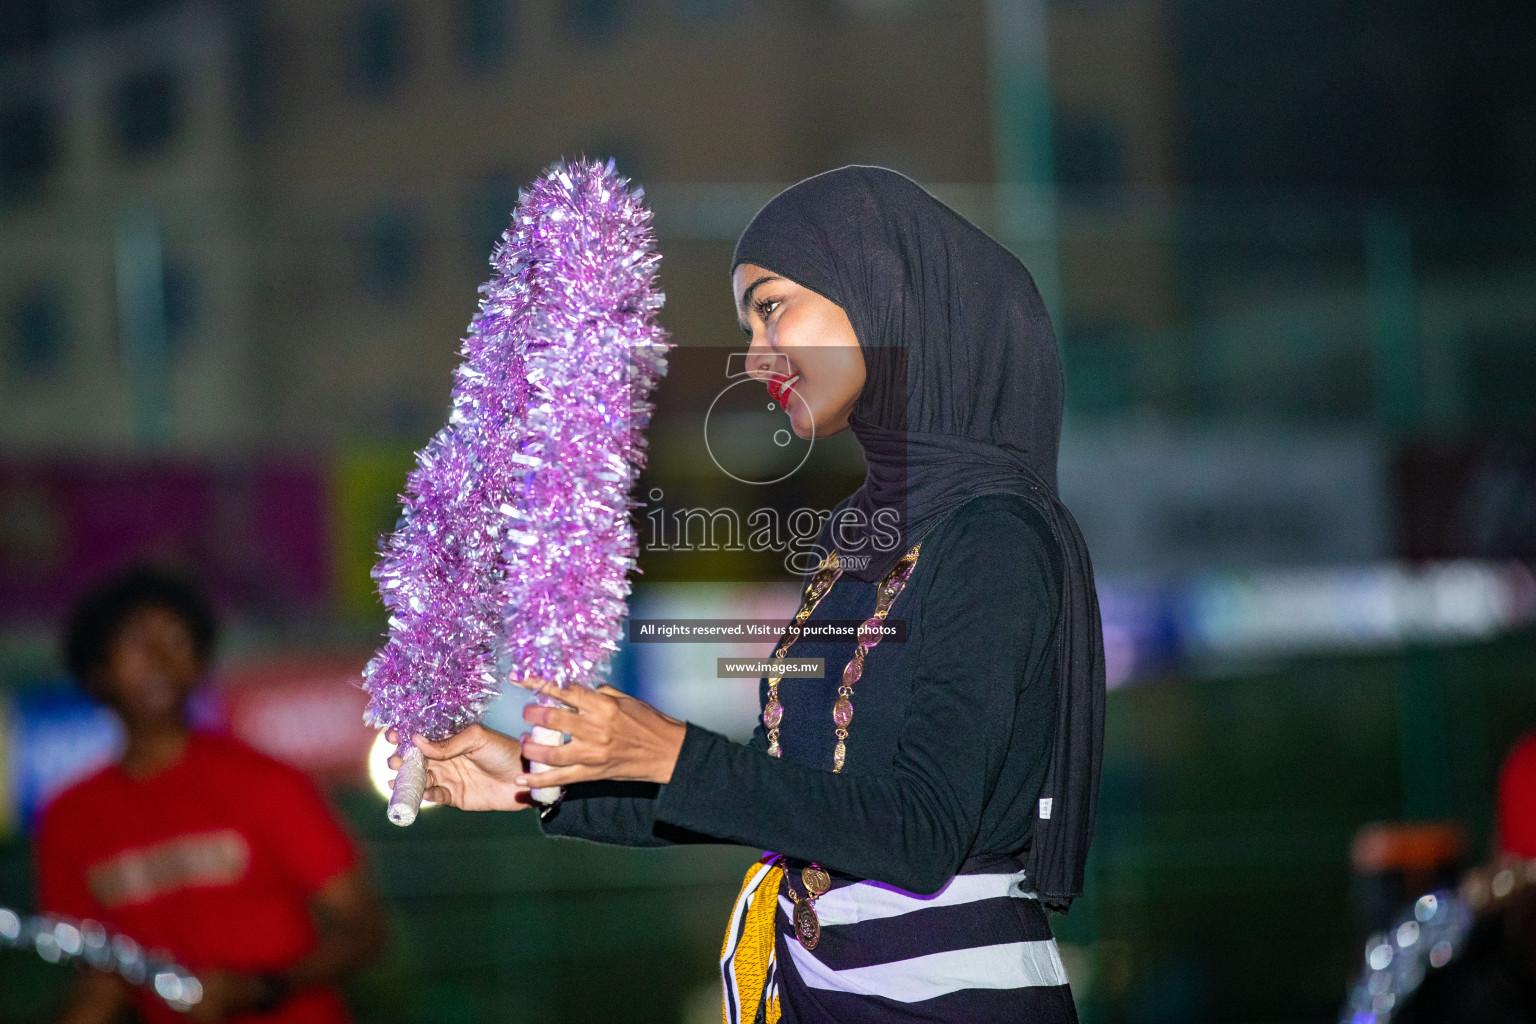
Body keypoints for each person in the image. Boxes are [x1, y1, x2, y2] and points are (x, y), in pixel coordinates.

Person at [388, 165, 1107, 1023]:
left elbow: (919, 834)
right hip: (821, 993)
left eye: (772, 307)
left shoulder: (993, 537)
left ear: (880, 291)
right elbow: (800, 795)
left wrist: (670, 753)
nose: (757, 355)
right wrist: (542, 778)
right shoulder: (864, 532)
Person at [37, 566, 387, 1024]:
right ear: (96, 670)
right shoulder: (70, 818)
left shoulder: (265, 785)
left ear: (200, 662)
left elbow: (364, 931)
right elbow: (101, 980)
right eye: (138, 643)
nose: (160, 658)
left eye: (177, 641)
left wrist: (259, 987)